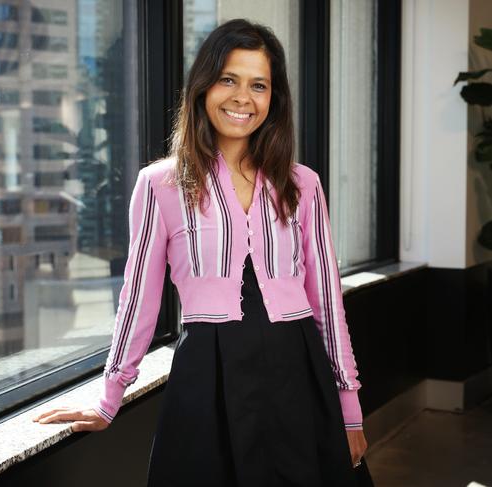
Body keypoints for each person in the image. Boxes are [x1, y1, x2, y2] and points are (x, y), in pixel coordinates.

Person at [34, 18, 372, 486]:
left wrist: (349, 408)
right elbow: (138, 299)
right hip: (206, 378)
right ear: (203, 86)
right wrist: (109, 396)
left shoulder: (303, 185)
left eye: (259, 85)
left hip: (298, 374)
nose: (242, 97)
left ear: (274, 100)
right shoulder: (160, 185)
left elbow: (327, 305)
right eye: (228, 79)